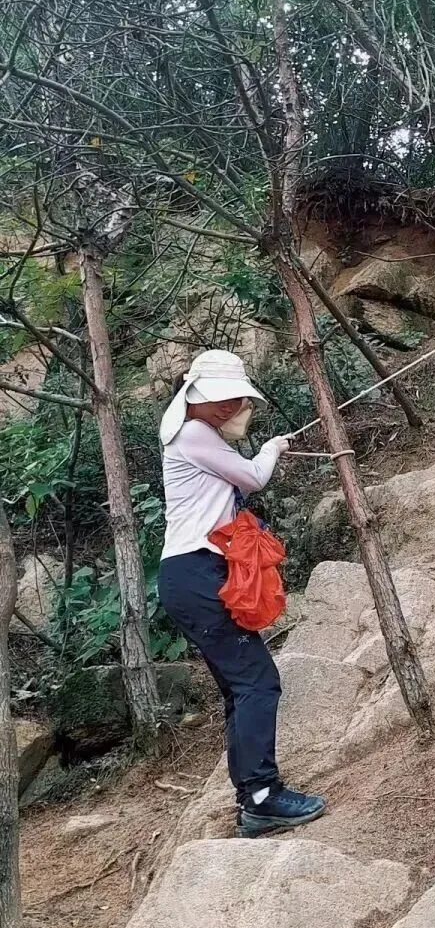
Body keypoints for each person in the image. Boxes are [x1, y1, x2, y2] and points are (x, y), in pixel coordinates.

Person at [156, 349, 326, 838]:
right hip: (197, 572)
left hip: (192, 574)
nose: (231, 407)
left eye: (236, 398)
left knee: (241, 685)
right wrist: (271, 448)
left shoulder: (193, 433)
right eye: (223, 398)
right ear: (196, 396)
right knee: (258, 681)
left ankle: (253, 795)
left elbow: (239, 482)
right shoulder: (193, 433)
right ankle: (261, 797)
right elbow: (252, 478)